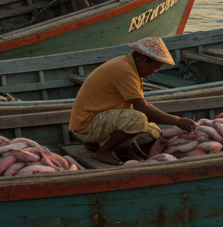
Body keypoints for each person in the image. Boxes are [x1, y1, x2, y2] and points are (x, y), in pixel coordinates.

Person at [70, 37, 197, 165]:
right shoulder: (125, 71)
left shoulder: (126, 64)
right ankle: (104, 151)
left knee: (153, 131)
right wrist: (177, 121)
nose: (154, 72)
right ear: (142, 59)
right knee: (138, 119)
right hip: (87, 125)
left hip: (89, 120)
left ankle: (110, 146)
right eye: (154, 68)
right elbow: (142, 108)